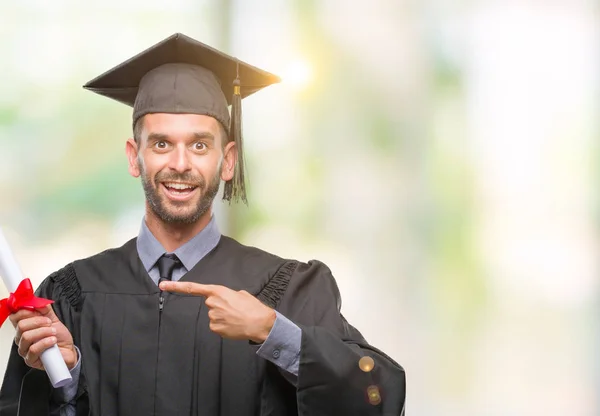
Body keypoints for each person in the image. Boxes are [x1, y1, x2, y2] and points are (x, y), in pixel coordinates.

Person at [0, 33, 406, 416]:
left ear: (227, 161)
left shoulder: (285, 291)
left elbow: (380, 397)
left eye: (199, 144)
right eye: (161, 143)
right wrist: (66, 375)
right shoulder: (72, 296)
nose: (180, 163)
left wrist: (271, 330)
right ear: (133, 156)